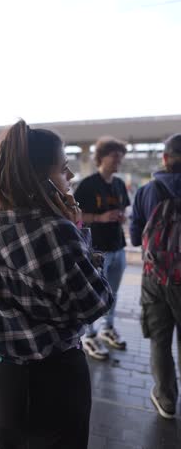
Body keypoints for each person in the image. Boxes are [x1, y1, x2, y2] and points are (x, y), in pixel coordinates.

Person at [0, 120, 113, 449]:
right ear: (40, 179)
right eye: (64, 168)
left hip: (4, 380)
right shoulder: (58, 232)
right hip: (58, 378)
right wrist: (78, 230)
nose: (70, 177)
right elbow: (97, 302)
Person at [130, 133, 181, 419]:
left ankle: (166, 399)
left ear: (164, 158)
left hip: (155, 278)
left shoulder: (148, 190)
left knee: (160, 340)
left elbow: (136, 238)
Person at [75, 137, 130, 360]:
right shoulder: (88, 185)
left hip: (118, 247)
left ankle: (108, 328)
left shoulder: (118, 184)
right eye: (114, 156)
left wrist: (120, 217)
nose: (118, 161)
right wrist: (100, 217)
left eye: (121, 157)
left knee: (113, 294)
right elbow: (75, 217)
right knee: (93, 294)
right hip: (97, 251)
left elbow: (123, 209)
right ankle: (89, 335)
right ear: (101, 158)